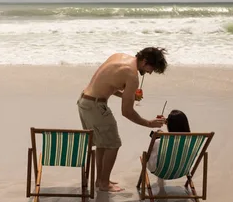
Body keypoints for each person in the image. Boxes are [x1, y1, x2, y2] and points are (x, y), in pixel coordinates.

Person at [77, 47, 168, 192]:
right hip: (96, 106)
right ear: (145, 61)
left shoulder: (119, 57)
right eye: (151, 68)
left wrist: (128, 94)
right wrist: (148, 123)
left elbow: (108, 84)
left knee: (103, 144)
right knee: (113, 144)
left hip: (85, 101)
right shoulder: (131, 75)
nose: (150, 72)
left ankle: (100, 180)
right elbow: (127, 111)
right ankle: (104, 183)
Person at [147, 110, 191, 182]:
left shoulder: (160, 142)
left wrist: (156, 138)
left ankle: (160, 181)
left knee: (156, 152)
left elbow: (151, 155)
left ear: (169, 125)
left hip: (160, 171)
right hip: (182, 170)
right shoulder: (190, 141)